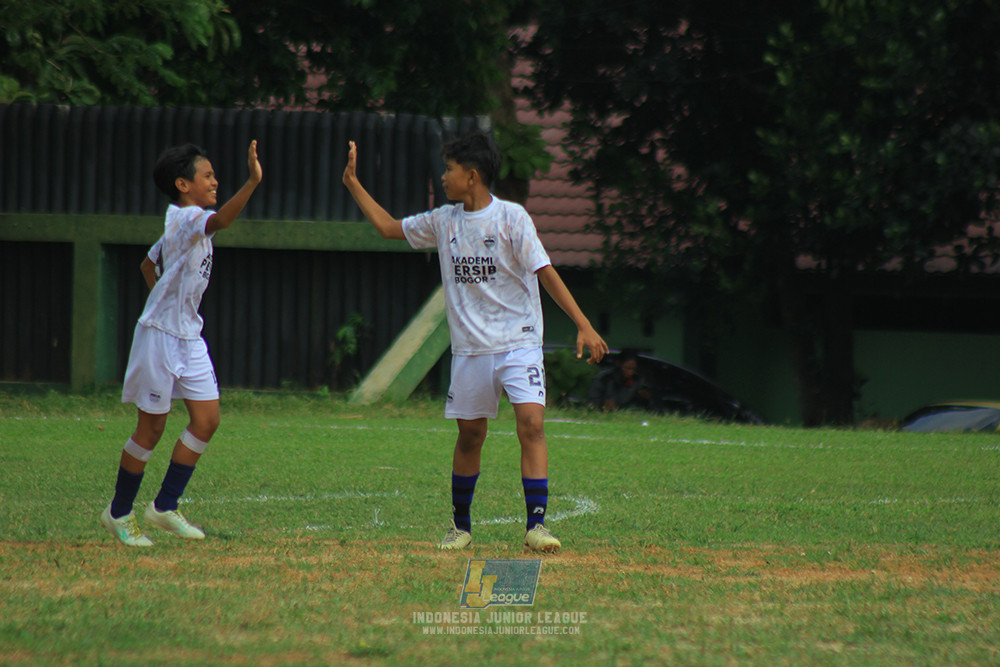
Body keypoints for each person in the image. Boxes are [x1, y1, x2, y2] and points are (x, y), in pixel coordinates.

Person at [342, 130, 608, 553]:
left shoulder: (512, 218)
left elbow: (545, 271)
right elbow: (389, 228)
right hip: (471, 350)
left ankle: (536, 525)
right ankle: (460, 526)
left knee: (532, 424)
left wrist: (583, 323)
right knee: (470, 436)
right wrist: (354, 184)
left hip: (519, 341)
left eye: (448, 170)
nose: (442, 177)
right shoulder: (443, 221)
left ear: (471, 176)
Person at [100, 141, 263, 547]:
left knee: (207, 420)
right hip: (159, 338)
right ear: (182, 183)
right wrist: (253, 181)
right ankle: (118, 513)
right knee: (151, 429)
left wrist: (166, 300)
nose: (215, 181)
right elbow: (221, 221)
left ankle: (163, 507)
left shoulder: (182, 224)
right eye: (207, 175)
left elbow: (148, 263)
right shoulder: (188, 217)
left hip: (189, 336)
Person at [586, 349, 653, 411]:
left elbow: (646, 404)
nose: (630, 373)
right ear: (618, 363)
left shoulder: (638, 380)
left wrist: (646, 396)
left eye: (634, 369)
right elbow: (591, 401)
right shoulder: (603, 378)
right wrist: (602, 404)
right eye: (627, 368)